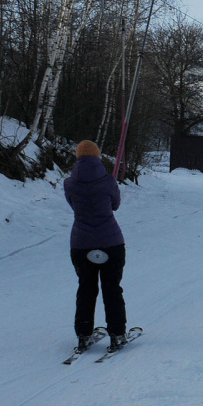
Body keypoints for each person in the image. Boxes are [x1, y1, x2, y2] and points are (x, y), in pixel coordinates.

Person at [64, 140, 128, 353]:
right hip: (111, 242)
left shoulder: (69, 183)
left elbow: (73, 204)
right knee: (112, 289)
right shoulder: (108, 181)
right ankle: (117, 334)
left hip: (81, 244)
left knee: (86, 289)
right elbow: (115, 205)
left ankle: (83, 334)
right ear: (98, 156)